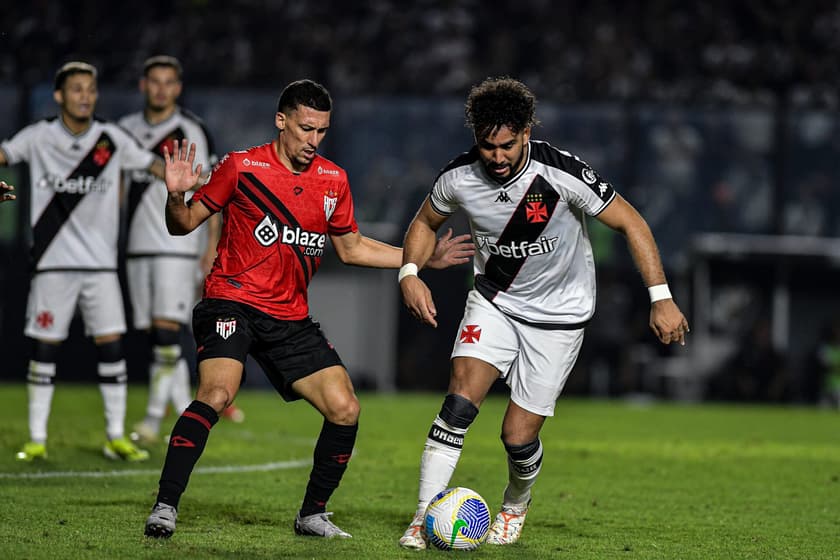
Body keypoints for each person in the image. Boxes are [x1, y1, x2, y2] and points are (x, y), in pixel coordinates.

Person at [143, 79, 474, 540]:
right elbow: (182, 227)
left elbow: (352, 248)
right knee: (218, 393)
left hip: (289, 317)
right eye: (305, 129)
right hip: (231, 301)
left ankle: (312, 514)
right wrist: (175, 194)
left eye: (321, 131)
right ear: (281, 121)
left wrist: (417, 259)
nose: (313, 141)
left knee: (345, 408)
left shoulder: (332, 179)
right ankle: (165, 505)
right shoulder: (241, 167)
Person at [397, 77, 689, 548]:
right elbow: (425, 222)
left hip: (559, 317)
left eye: (507, 145)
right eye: (487, 146)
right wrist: (409, 271)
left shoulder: (561, 175)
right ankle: (423, 516)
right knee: (458, 402)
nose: (496, 156)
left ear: (527, 132)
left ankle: (515, 504)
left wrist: (661, 296)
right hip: (494, 300)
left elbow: (631, 221)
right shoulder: (459, 177)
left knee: (516, 436)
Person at [0, 61, 164, 462]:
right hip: (52, 264)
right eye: (76, 89)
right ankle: (37, 439)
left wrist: (189, 179)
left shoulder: (111, 139)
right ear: (59, 95)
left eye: (90, 89)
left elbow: (155, 166)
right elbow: (4, 154)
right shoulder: (39, 136)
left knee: (112, 348)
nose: (85, 96)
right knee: (45, 349)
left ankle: (114, 436)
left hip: (101, 268)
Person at [117, 55, 240, 445]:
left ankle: (154, 420)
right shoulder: (124, 130)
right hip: (137, 247)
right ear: (143, 85)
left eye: (169, 82)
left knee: (168, 333)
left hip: (177, 248)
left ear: (178, 87)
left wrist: (210, 246)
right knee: (157, 334)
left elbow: (209, 192)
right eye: (154, 81)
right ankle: (186, 405)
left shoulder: (190, 130)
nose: (161, 89)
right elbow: (119, 192)